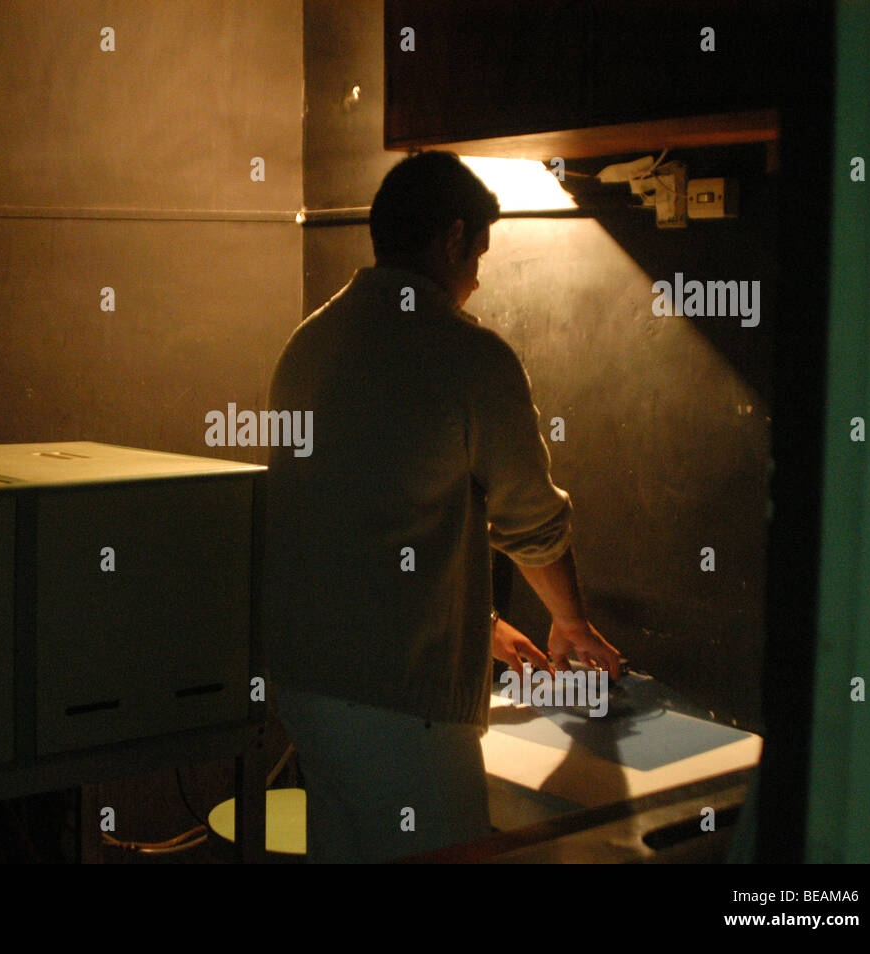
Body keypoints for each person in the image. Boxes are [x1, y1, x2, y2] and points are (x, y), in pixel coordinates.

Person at [262, 150, 622, 863]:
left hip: (306, 685)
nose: (479, 277)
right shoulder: (466, 354)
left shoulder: (309, 343)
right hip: (401, 707)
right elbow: (532, 523)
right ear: (453, 239)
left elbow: (363, 521)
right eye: (479, 254)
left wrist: (481, 624)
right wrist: (572, 624)